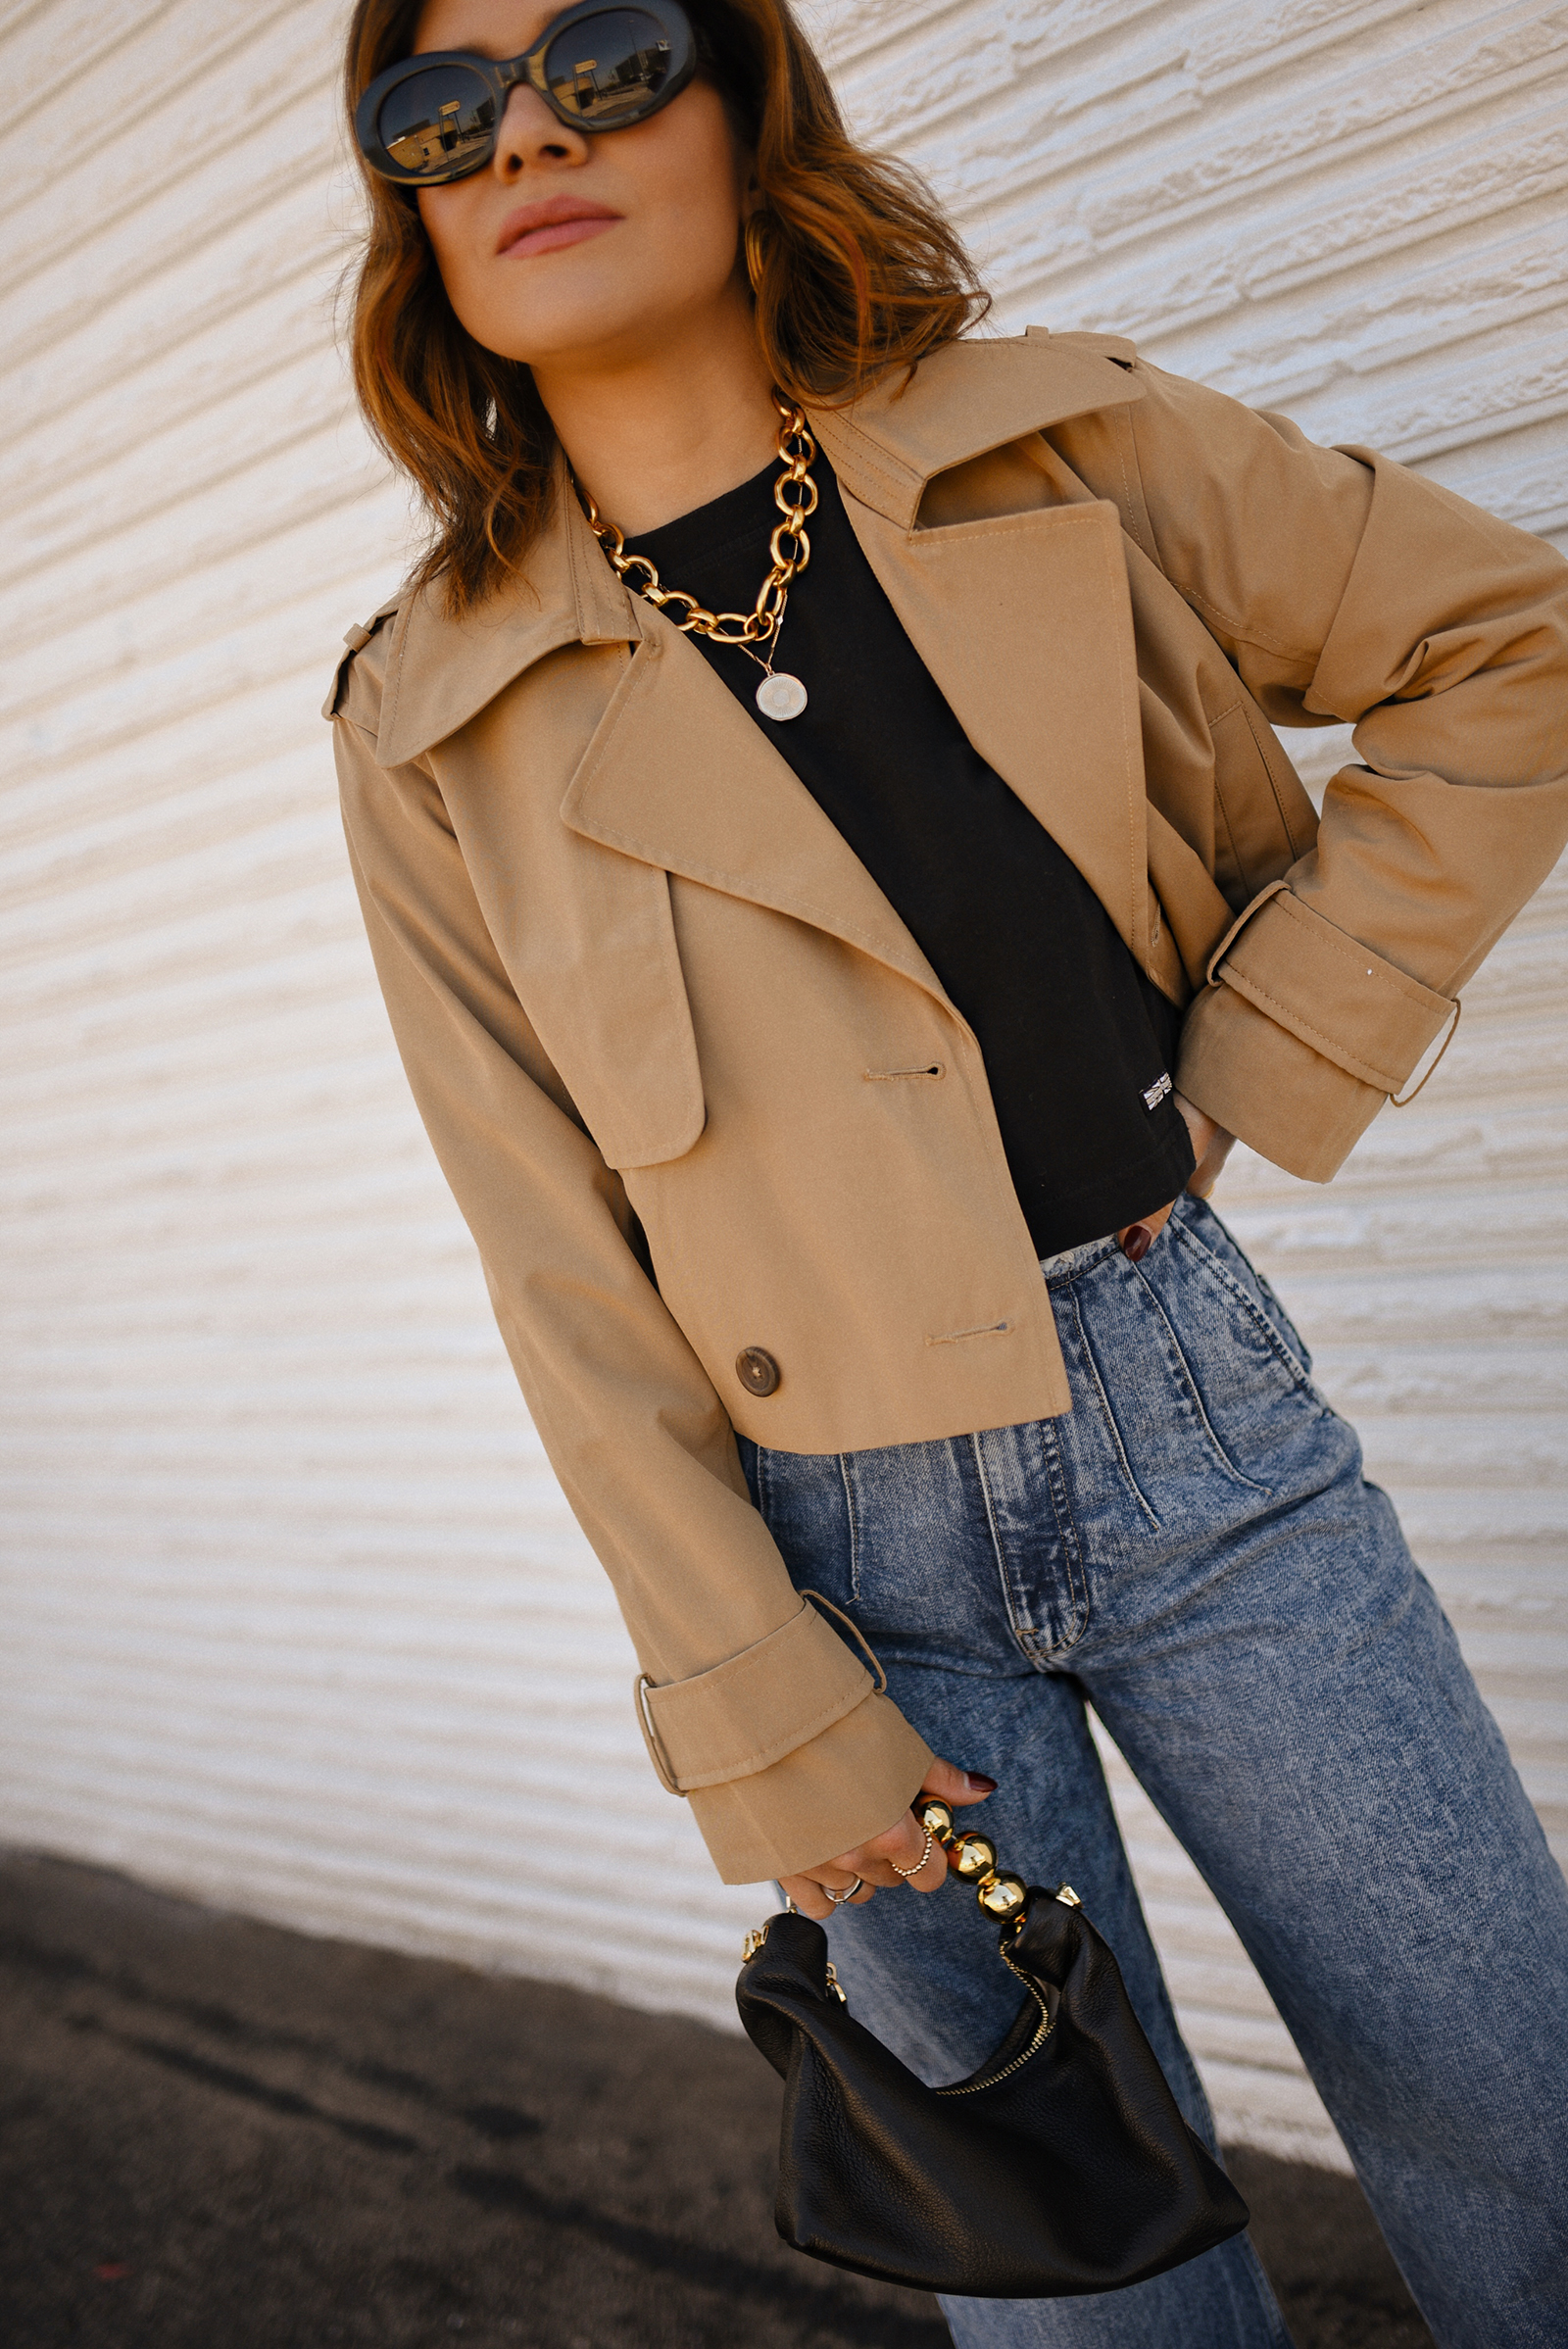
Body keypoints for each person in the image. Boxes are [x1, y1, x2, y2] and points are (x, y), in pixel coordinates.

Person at [328, 3, 1568, 2341]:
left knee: (1516, 2114)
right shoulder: (429, 714)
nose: (518, 134)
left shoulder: (1062, 447)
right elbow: (551, 1266)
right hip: (826, 1557)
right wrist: (744, 1691)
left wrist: (1263, 1049)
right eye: (436, 109)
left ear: (738, 95)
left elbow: (1511, 644)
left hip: (1202, 1434)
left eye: (597, 55)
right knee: (1082, 2274)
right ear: (412, 216)